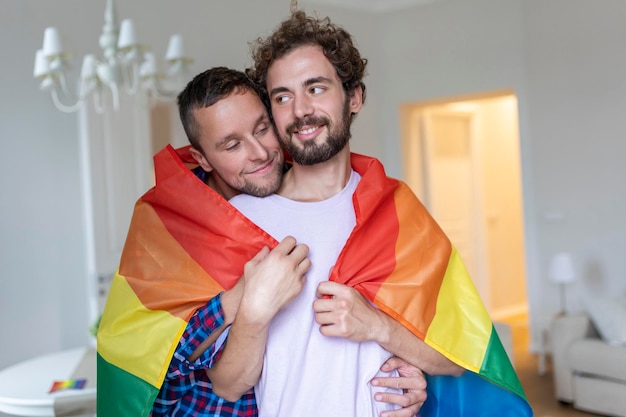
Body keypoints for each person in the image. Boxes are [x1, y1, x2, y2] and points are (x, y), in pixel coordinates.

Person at [215, 7, 533, 417]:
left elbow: (459, 357)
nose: (299, 111)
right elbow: (226, 385)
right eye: (282, 96)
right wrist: (255, 314)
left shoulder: (399, 212)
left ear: (355, 97)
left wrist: (377, 327)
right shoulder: (241, 220)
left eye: (316, 88)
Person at [96, 67, 427, 417]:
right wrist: (239, 299)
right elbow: (150, 359)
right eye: (233, 144)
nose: (259, 153)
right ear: (202, 159)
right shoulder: (166, 223)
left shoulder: (329, 196)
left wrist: (407, 379)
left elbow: (387, 322)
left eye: (262, 129)